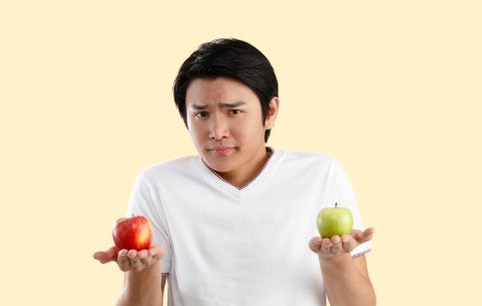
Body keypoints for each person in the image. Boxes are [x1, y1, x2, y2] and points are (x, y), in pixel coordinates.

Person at [94, 38, 376, 306]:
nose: (217, 132)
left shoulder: (320, 174)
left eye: (234, 112)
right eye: (201, 114)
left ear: (271, 111)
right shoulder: (158, 184)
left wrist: (335, 260)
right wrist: (144, 270)